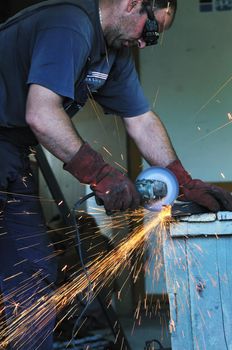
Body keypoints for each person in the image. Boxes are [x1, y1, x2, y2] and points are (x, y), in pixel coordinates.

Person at [0, 0, 232, 348]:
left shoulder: (112, 54)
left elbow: (141, 120)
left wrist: (183, 181)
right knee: (27, 276)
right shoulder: (70, 24)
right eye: (151, 31)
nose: (145, 43)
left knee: (31, 275)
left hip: (12, 150)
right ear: (133, 4)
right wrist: (101, 174)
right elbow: (41, 115)